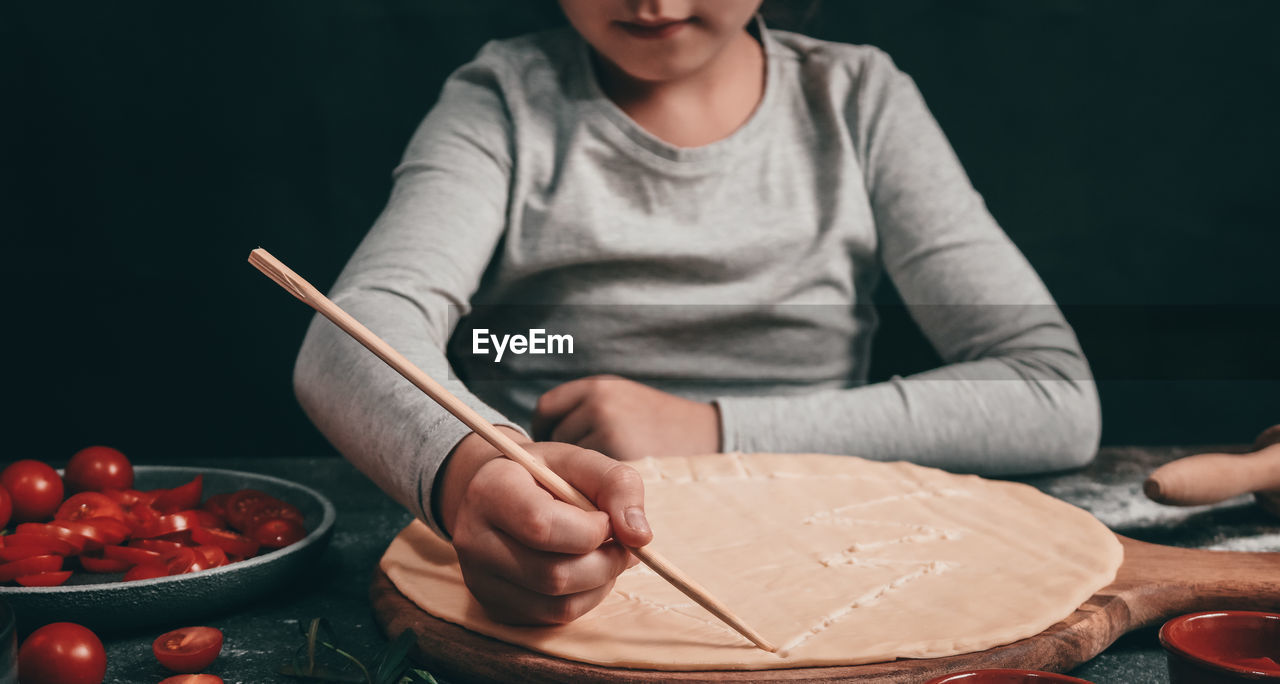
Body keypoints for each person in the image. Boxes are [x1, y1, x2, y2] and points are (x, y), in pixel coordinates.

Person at [294, 0, 1100, 626]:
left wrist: (715, 431)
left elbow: (1052, 396)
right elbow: (349, 335)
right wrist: (475, 474)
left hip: (831, 557)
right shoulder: (503, 102)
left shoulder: (860, 100)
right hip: (557, 560)